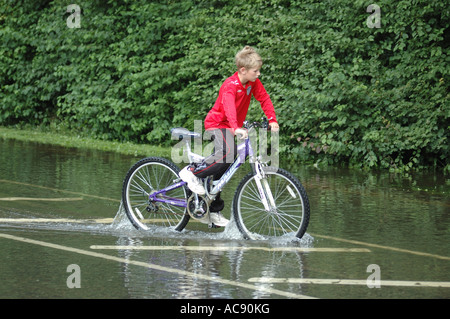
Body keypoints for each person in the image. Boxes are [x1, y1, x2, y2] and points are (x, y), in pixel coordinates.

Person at [179, 46, 279, 226]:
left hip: (231, 126)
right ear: (243, 70)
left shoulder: (252, 83)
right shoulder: (230, 86)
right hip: (217, 124)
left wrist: (272, 119)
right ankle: (192, 172)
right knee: (228, 154)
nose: (258, 74)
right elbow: (229, 109)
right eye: (255, 71)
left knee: (224, 168)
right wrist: (235, 128)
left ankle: (213, 211)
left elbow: (264, 98)